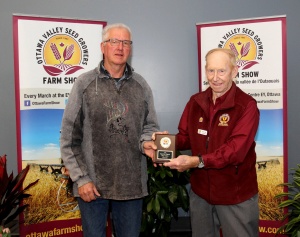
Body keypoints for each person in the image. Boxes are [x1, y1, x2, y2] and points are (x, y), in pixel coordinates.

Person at [60, 23, 159, 237]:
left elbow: (149, 126)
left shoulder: (141, 85)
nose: (120, 47)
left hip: (131, 186)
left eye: (125, 42)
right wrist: (81, 179)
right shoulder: (84, 83)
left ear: (130, 48)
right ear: (103, 46)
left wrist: (147, 142)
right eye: (114, 41)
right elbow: (69, 138)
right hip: (92, 186)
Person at [163, 48, 260, 237]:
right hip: (201, 195)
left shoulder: (247, 106)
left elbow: (235, 151)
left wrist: (196, 161)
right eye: (211, 71)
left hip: (235, 195)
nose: (215, 77)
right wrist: (164, 143)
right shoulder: (195, 102)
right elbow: (186, 137)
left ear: (234, 71)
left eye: (221, 71)